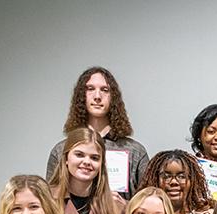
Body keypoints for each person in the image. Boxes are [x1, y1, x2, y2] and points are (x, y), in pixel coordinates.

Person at [46, 66, 148, 199]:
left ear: (113, 98)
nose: (97, 96)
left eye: (105, 90)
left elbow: (148, 203)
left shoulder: (136, 151)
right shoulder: (61, 150)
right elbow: (49, 202)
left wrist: (124, 207)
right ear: (81, 96)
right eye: (90, 89)